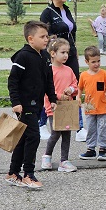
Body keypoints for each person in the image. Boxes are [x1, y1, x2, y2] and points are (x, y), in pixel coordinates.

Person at [5, 20, 58, 190]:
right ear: (30, 39)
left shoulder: (44, 56)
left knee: (23, 139)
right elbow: (13, 80)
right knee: (33, 137)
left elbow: (49, 80)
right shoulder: (23, 56)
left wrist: (53, 98)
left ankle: (13, 173)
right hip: (25, 106)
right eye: (42, 37)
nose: (46, 39)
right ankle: (28, 174)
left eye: (47, 36)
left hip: (38, 105)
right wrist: (16, 102)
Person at [40, 0, 81, 139]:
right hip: (55, 55)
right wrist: (50, 48)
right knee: (52, 89)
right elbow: (43, 36)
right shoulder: (48, 12)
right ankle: (42, 123)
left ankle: (76, 125)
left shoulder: (67, 9)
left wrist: (74, 49)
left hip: (70, 53)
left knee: (73, 87)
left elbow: (72, 32)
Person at [41, 38, 79, 173]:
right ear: (52, 53)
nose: (65, 55)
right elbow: (46, 90)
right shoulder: (48, 71)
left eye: (67, 52)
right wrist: (58, 96)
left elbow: (75, 85)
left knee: (67, 133)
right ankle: (47, 156)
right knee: (56, 132)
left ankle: (64, 160)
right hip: (54, 107)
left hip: (67, 108)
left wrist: (71, 90)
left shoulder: (69, 70)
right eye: (62, 52)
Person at [78, 45, 106, 161]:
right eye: (93, 62)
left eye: (98, 61)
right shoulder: (83, 75)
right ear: (87, 62)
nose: (96, 64)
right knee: (91, 128)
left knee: (102, 128)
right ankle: (90, 149)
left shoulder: (103, 73)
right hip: (89, 107)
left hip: (102, 106)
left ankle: (103, 149)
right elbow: (80, 88)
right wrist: (78, 97)